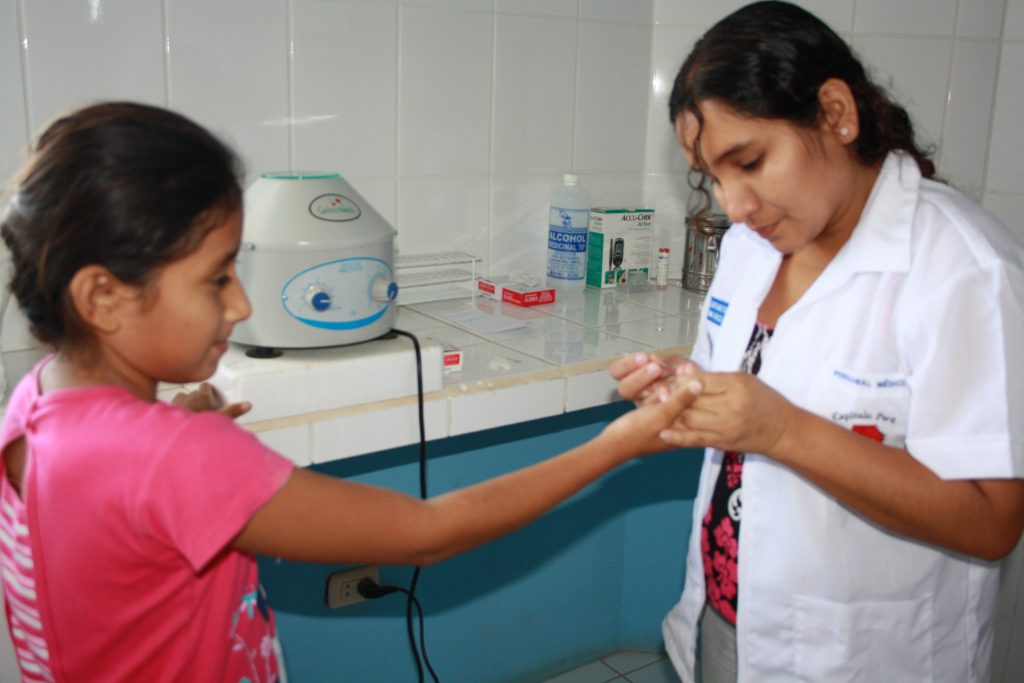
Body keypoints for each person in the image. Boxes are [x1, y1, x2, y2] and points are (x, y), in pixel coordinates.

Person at [0, 101, 701, 682]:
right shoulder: (172, 456)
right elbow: (429, 531)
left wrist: (170, 429)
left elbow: (117, 511)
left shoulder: (34, 405)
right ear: (103, 296)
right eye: (216, 278)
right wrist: (618, 444)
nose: (240, 304)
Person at [610, 2, 1024, 682]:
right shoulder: (751, 247)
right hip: (725, 617)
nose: (735, 205)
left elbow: (992, 520)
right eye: (715, 178)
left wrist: (783, 431)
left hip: (861, 655)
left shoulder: (963, 268)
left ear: (836, 113)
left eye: (750, 162)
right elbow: (746, 388)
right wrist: (684, 389)